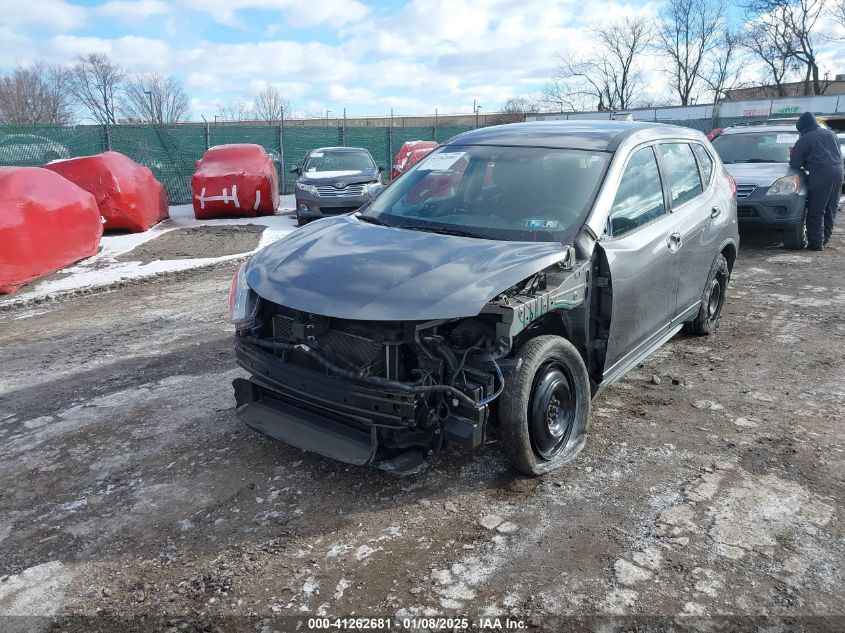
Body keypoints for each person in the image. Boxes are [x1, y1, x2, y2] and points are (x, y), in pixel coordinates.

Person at [789, 112, 844, 250]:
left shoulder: (805, 139)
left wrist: (794, 155)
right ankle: (825, 239)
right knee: (830, 207)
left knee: (816, 209)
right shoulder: (830, 134)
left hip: (820, 174)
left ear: (802, 128)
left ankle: (815, 243)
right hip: (838, 172)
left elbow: (795, 164)